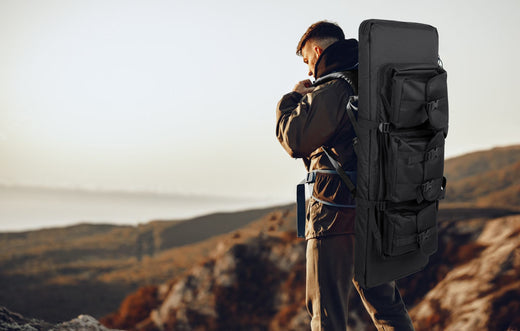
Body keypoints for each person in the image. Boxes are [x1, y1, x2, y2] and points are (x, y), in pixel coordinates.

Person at [275, 21, 415, 331]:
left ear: (317, 50)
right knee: (388, 309)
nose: (310, 71)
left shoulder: (334, 87)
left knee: (326, 313)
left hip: (334, 213)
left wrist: (292, 99)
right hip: (377, 211)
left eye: (308, 61)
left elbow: (294, 139)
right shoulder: (375, 83)